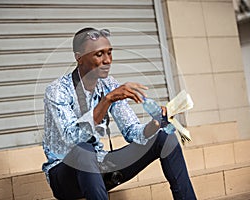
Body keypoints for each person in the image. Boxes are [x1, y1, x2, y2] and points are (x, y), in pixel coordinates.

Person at [42, 27, 196, 200]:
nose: (107, 60)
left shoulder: (108, 84)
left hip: (99, 166)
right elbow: (73, 138)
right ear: (79, 57)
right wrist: (107, 100)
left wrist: (155, 125)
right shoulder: (57, 91)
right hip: (64, 175)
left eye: (109, 53)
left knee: (164, 138)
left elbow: (132, 131)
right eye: (99, 54)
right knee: (84, 150)